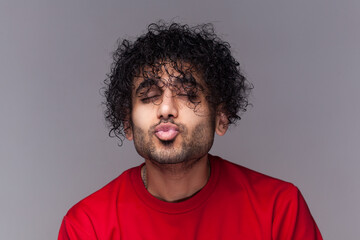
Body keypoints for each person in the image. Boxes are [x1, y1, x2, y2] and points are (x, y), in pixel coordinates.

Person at [58, 22, 322, 239]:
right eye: (149, 95)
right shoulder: (87, 226)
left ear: (221, 117)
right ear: (127, 123)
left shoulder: (280, 210)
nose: (166, 109)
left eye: (187, 95)